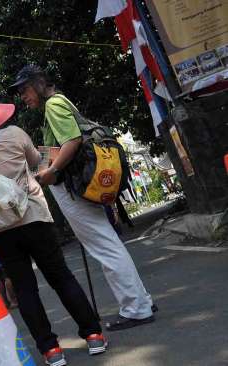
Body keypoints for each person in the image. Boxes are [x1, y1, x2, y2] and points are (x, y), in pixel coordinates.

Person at [0, 92, 107, 366]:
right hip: (34, 217)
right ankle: (94, 334)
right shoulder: (14, 133)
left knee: (25, 290)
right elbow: (36, 160)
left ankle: (51, 351)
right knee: (60, 277)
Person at [12, 65, 156, 331]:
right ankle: (141, 301)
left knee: (104, 246)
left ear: (39, 83)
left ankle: (136, 308)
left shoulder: (53, 105)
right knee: (108, 242)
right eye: (20, 92)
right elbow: (62, 144)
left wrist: (52, 171)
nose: (23, 96)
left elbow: (72, 142)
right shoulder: (59, 102)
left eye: (25, 89)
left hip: (72, 186)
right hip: (79, 183)